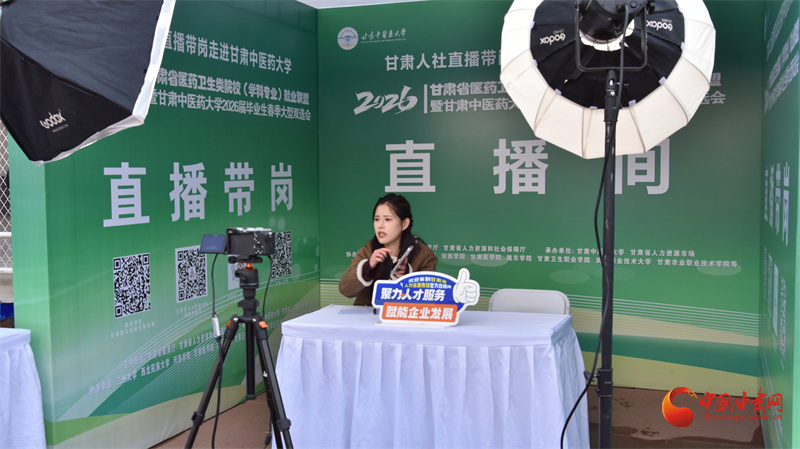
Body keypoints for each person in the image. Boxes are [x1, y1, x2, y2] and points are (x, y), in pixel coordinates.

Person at [339, 193, 438, 306]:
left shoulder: (423, 255)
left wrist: (406, 276)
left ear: (404, 224)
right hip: (368, 316)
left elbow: (430, 296)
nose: (380, 225)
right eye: (376, 219)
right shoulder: (368, 250)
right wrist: (368, 267)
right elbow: (345, 290)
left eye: (387, 219)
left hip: (406, 316)